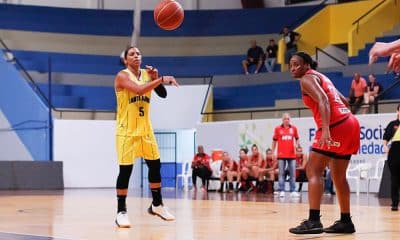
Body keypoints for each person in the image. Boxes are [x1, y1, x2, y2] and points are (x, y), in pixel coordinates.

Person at [288, 52, 360, 234]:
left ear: (306, 65)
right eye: (290, 65)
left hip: (335, 125)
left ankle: (313, 221)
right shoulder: (322, 77)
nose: (293, 68)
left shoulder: (306, 79)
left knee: (313, 169)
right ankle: (345, 221)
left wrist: (326, 129)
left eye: (296, 64)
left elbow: (323, 100)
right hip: (350, 123)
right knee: (338, 176)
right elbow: (345, 101)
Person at [114, 46, 178, 228]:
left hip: (145, 130)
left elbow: (163, 94)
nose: (136, 56)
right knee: (125, 171)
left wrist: (155, 78)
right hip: (126, 130)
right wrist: (160, 79)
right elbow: (140, 90)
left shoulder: (146, 74)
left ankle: (157, 204)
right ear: (126, 60)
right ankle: (121, 211)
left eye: (138, 53)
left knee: (155, 165)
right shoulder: (122, 76)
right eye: (132, 54)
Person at [272, 113, 300, 198]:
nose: (286, 120)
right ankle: (282, 190)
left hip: (292, 155)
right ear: (282, 120)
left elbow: (297, 138)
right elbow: (274, 141)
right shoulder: (277, 129)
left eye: (288, 118)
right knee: (281, 173)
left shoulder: (294, 128)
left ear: (289, 119)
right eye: (285, 119)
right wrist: (273, 152)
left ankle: (293, 191)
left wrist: (297, 145)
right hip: (281, 155)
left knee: (292, 174)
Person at [382, 104, 400, 211]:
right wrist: (385, 146)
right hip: (395, 152)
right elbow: (386, 137)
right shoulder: (392, 124)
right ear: (397, 111)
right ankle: (394, 203)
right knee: (394, 178)